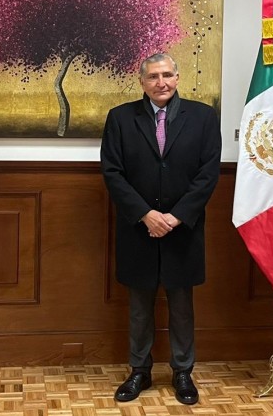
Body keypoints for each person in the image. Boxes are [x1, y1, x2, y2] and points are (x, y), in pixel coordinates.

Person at [100, 53, 221, 405]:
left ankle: (183, 372)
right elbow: (112, 172)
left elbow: (208, 172)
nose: (161, 82)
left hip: (184, 228)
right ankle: (140, 370)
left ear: (178, 77)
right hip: (139, 228)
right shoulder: (120, 118)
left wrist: (176, 215)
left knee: (182, 303)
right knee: (139, 304)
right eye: (153, 76)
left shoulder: (202, 117)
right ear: (142, 82)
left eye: (167, 75)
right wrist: (146, 215)